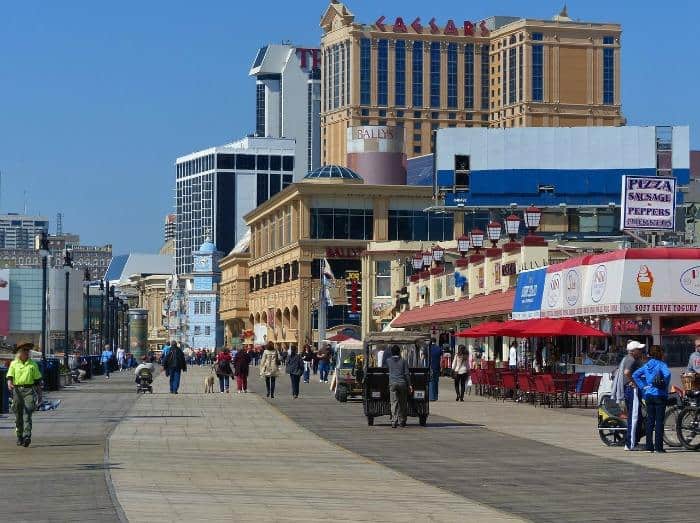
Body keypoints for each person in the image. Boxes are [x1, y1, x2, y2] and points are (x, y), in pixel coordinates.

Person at [633, 345, 672, 453]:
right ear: (660, 353)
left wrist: (643, 386)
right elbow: (668, 374)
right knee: (659, 422)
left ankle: (649, 446)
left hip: (648, 395)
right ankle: (659, 447)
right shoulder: (661, 364)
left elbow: (635, 375)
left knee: (650, 421)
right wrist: (664, 383)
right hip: (660, 395)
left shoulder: (647, 365)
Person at [6, 343, 42, 447]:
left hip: (28, 389)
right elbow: (9, 376)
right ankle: (19, 436)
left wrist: (40, 396)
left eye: (28, 350)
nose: (27, 352)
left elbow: (37, 381)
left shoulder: (33, 364)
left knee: (28, 411)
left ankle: (27, 436)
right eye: (25, 350)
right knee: (18, 415)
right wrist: (9, 383)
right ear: (20, 352)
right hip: (17, 390)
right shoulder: (14, 364)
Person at [611, 340, 644, 451]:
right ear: (633, 351)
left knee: (634, 416)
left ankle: (632, 442)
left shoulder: (627, 358)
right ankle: (630, 444)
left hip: (627, 389)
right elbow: (626, 372)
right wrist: (634, 382)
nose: (640, 351)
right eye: (639, 349)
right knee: (634, 417)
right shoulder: (631, 359)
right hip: (631, 390)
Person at [384, 345, 412, 428]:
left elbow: (385, 369)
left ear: (391, 352)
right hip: (402, 383)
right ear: (399, 352)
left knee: (394, 402)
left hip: (392, 383)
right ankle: (402, 420)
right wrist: (410, 385)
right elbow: (407, 374)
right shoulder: (404, 361)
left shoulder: (388, 360)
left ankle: (394, 421)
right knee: (403, 402)